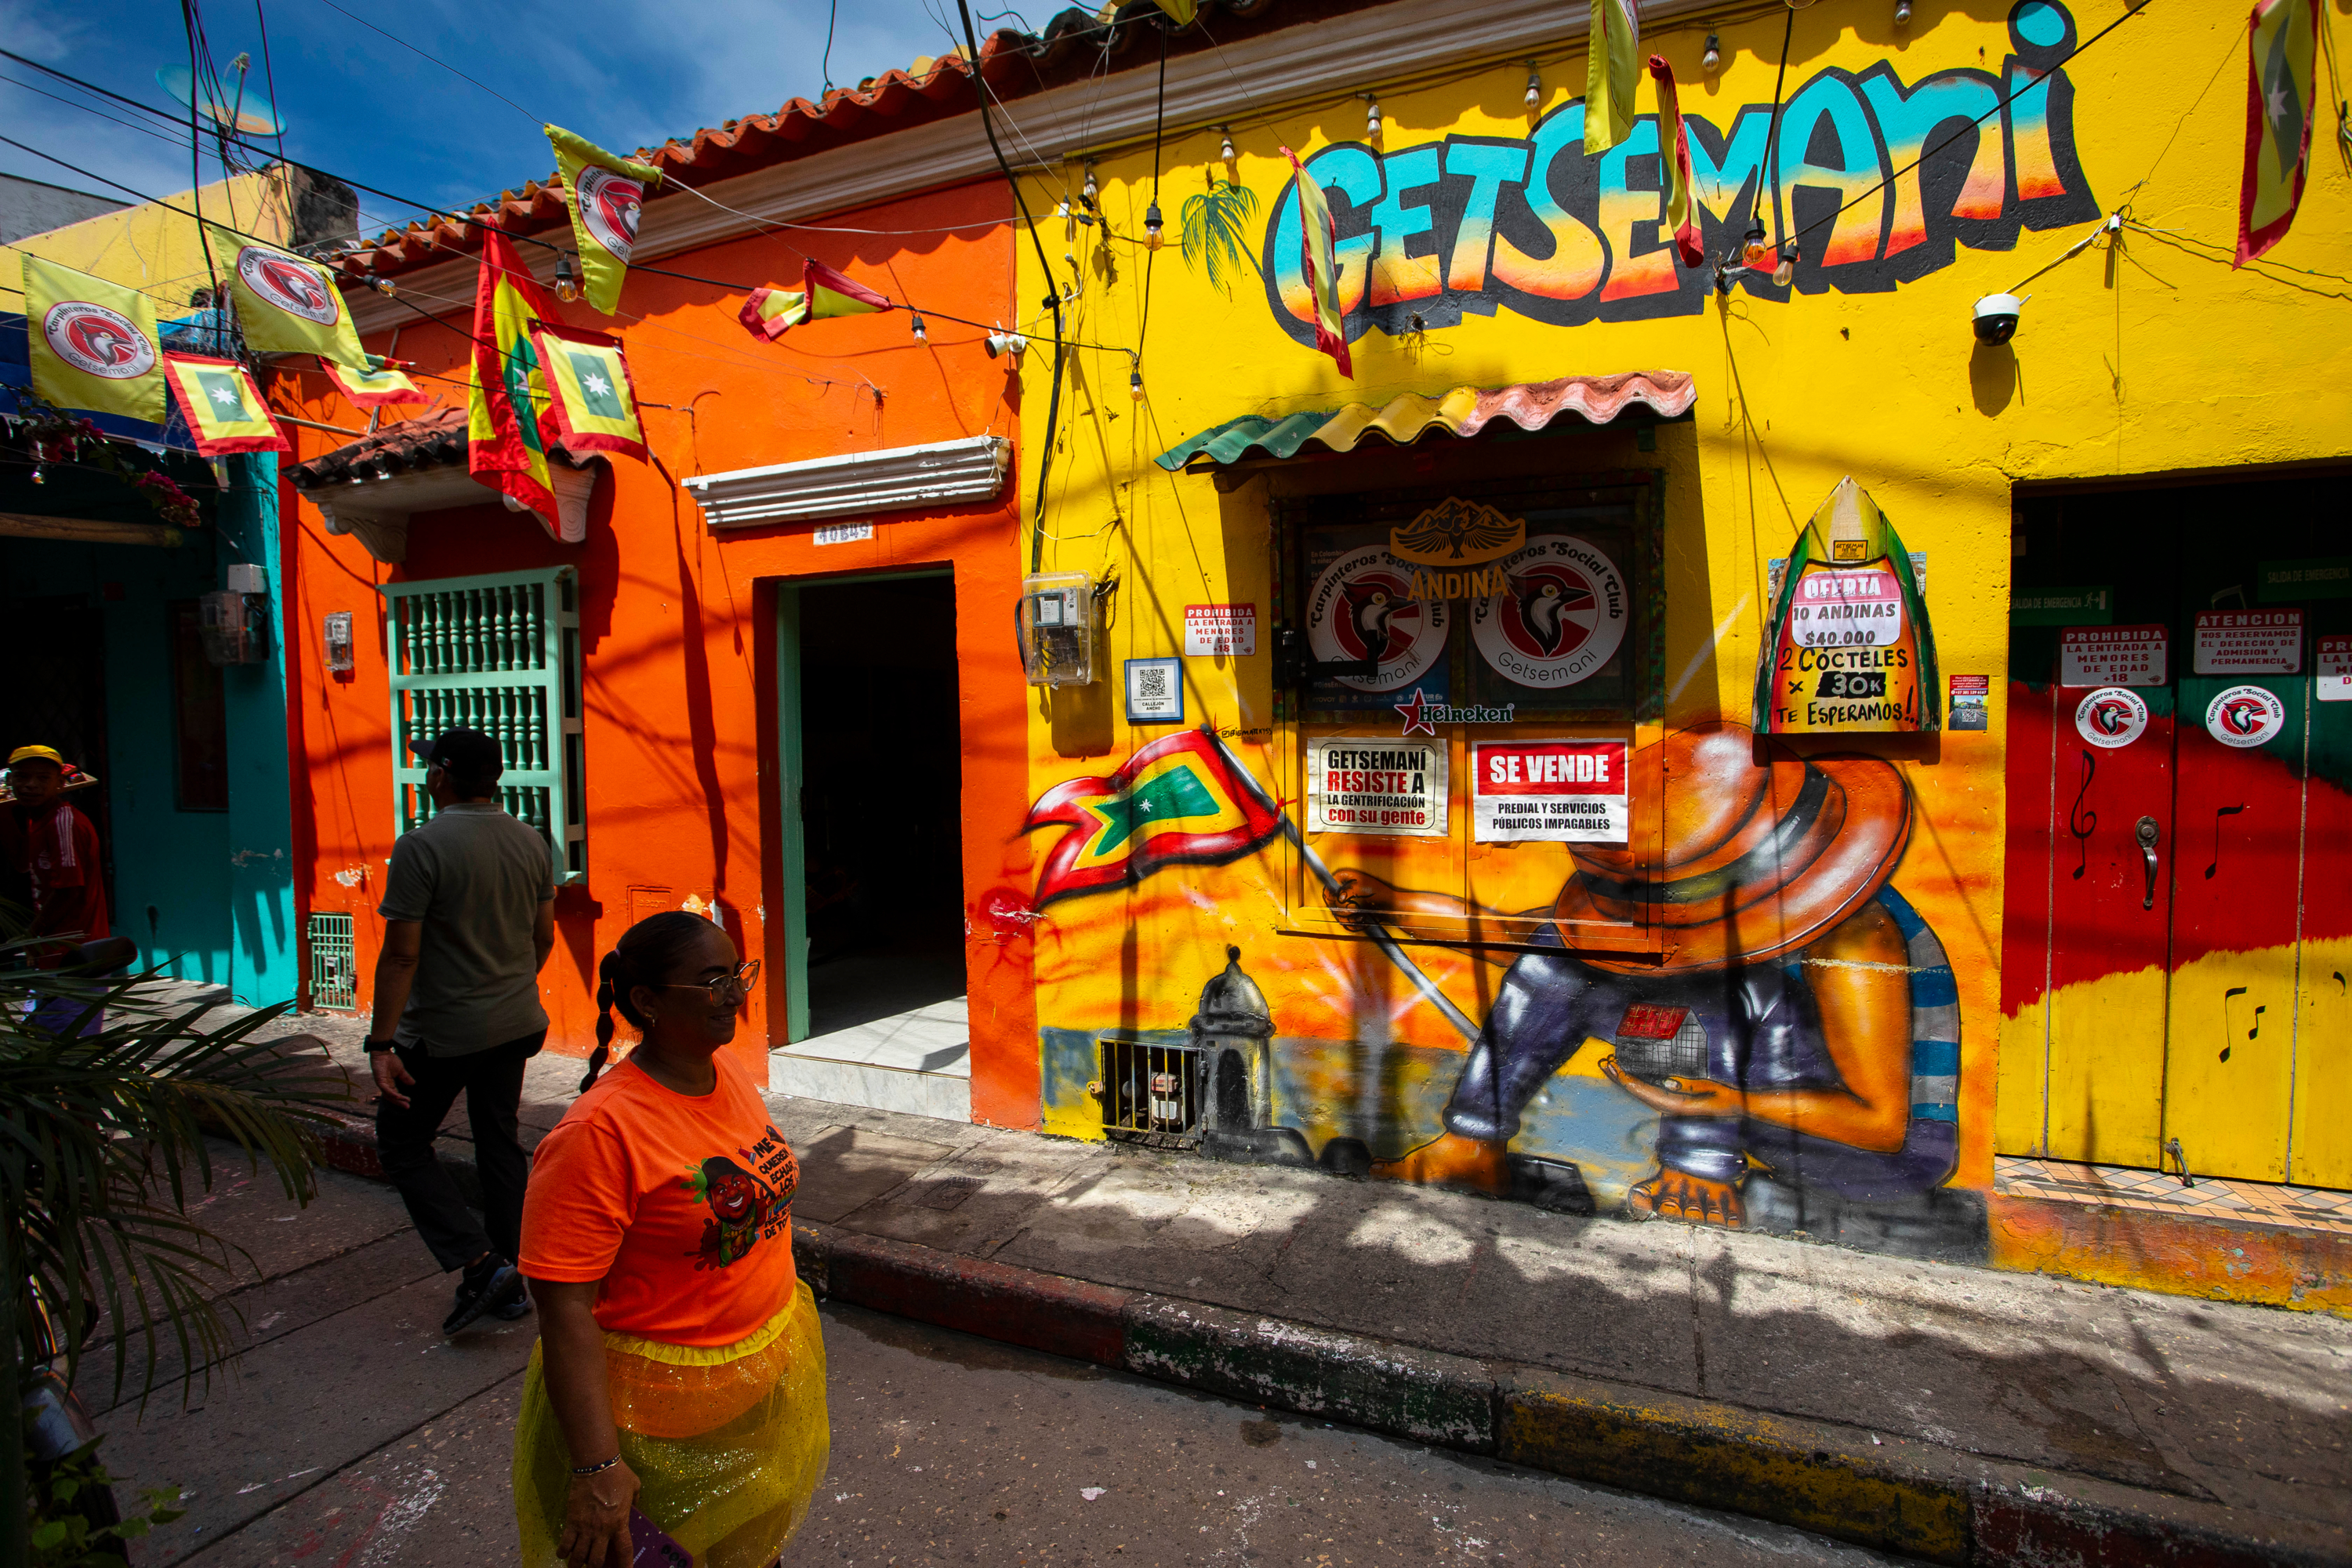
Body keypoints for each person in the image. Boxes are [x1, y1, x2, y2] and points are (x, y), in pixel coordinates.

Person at [1329, 722, 1957, 1228]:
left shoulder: (1856, 936)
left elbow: (1880, 1126)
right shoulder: (1723, 901)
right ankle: (1470, 1143)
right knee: (1557, 956)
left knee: (1713, 992)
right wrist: (1393, 904)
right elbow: (1518, 939)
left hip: (1866, 1157)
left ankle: (1700, 1170)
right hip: (1756, 1100)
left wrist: (1726, 1106)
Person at [514, 912, 826, 1568]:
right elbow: (563, 1304)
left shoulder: (726, 1072)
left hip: (752, 1390)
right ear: (646, 1002)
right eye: (712, 982)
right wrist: (598, 1465)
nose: (736, 995)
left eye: (739, 974)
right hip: (649, 1429)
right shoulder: (598, 1134)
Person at [366, 727, 557, 1336]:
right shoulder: (532, 841)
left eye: (428, 767)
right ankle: (509, 1281)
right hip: (516, 1022)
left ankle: (480, 1263)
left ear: (441, 776)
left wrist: (380, 1043)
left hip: (445, 1033)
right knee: (498, 1142)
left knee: (401, 1143)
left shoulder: (421, 847)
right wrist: (507, 988)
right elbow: (544, 937)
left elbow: (400, 957)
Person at [2, 745, 108, 963]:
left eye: (43, 778)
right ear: (10, 781)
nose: (31, 785)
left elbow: (69, 889)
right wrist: (3, 812)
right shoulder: (37, 818)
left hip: (76, 951)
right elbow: (22, 863)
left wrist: (31, 935)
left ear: (59, 783)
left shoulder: (62, 822)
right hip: (52, 947)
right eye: (22, 777)